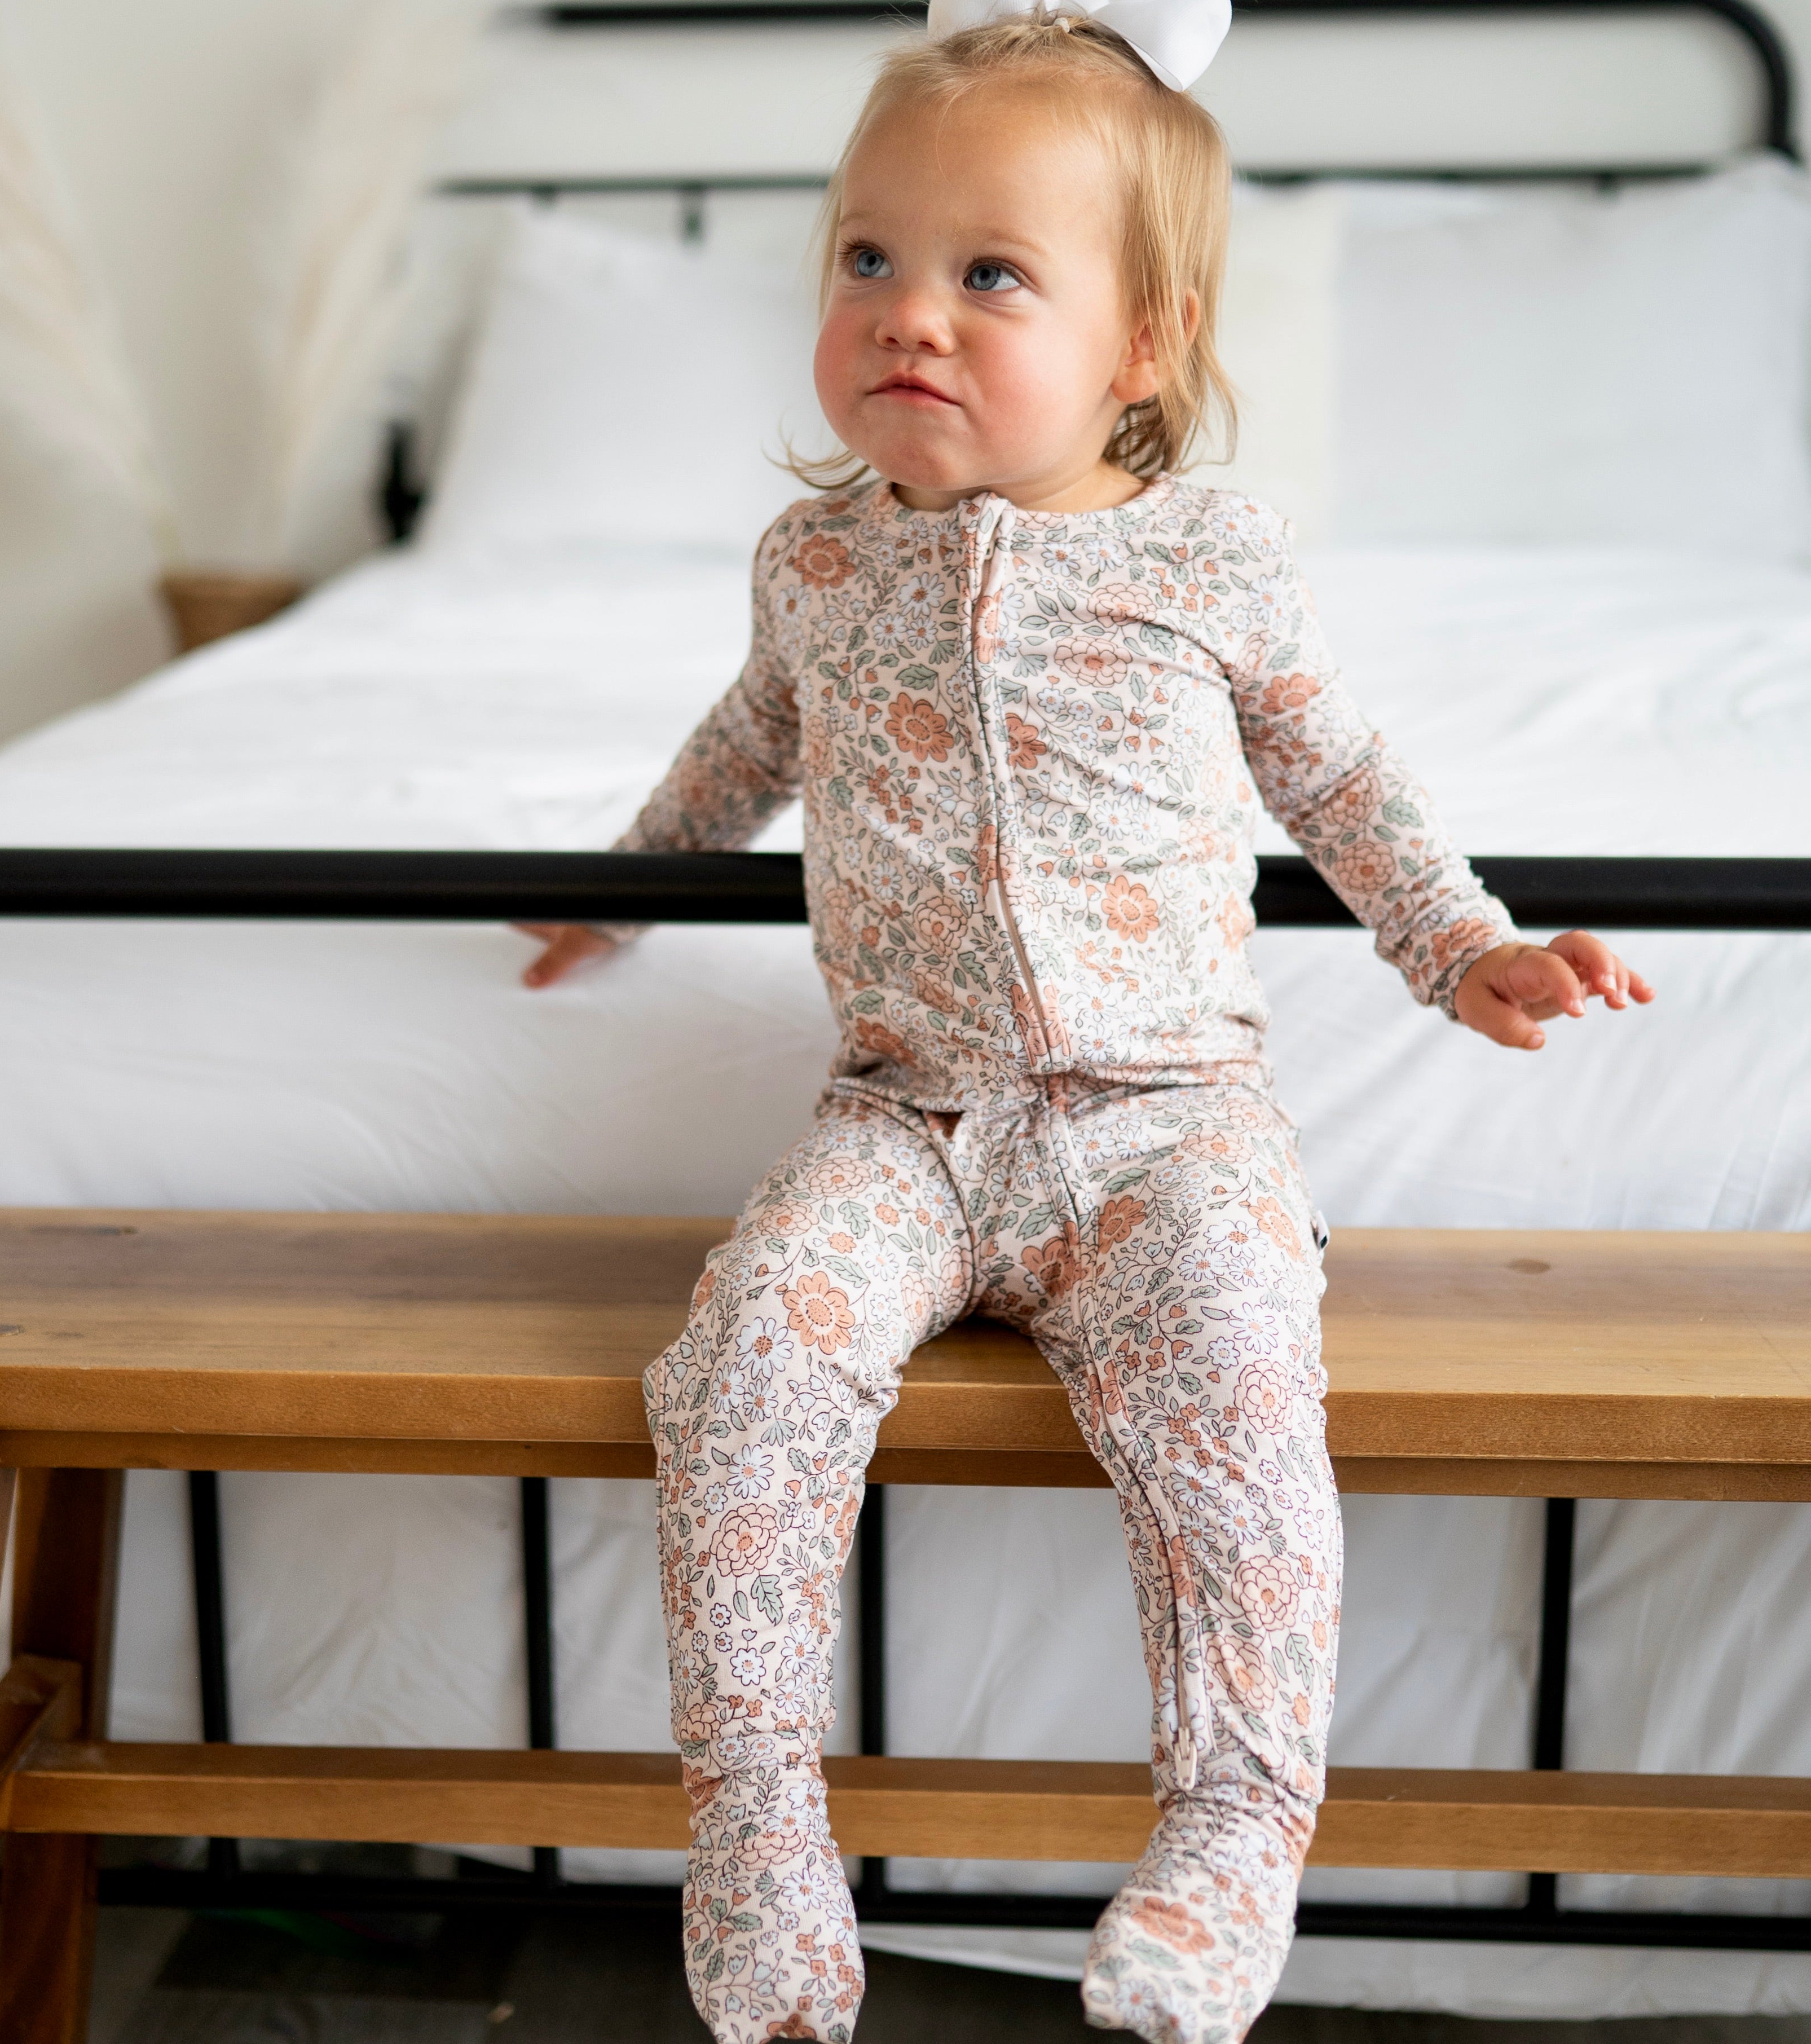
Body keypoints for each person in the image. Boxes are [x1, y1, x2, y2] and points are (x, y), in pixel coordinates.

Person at [521, 5, 1653, 2037]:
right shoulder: (814, 566)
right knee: (744, 1367)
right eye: (869, 258)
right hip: (905, 1119)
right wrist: (618, 882)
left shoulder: (1210, 554)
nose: (911, 317)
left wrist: (1459, 941)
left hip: (1167, 1124)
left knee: (1237, 1413)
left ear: (1143, 345)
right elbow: (744, 750)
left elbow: (1342, 779)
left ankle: (1232, 1839)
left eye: (991, 275)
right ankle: (763, 1835)